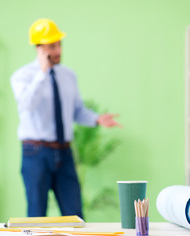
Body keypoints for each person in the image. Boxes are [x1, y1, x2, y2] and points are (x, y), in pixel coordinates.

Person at [10, 19, 121, 218]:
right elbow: (27, 105)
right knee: (36, 216)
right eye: (52, 46)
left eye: (59, 44)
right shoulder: (22, 76)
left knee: (75, 215)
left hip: (64, 152)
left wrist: (96, 119)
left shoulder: (69, 75)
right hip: (35, 153)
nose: (59, 50)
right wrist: (42, 73)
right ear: (39, 48)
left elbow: (77, 111)